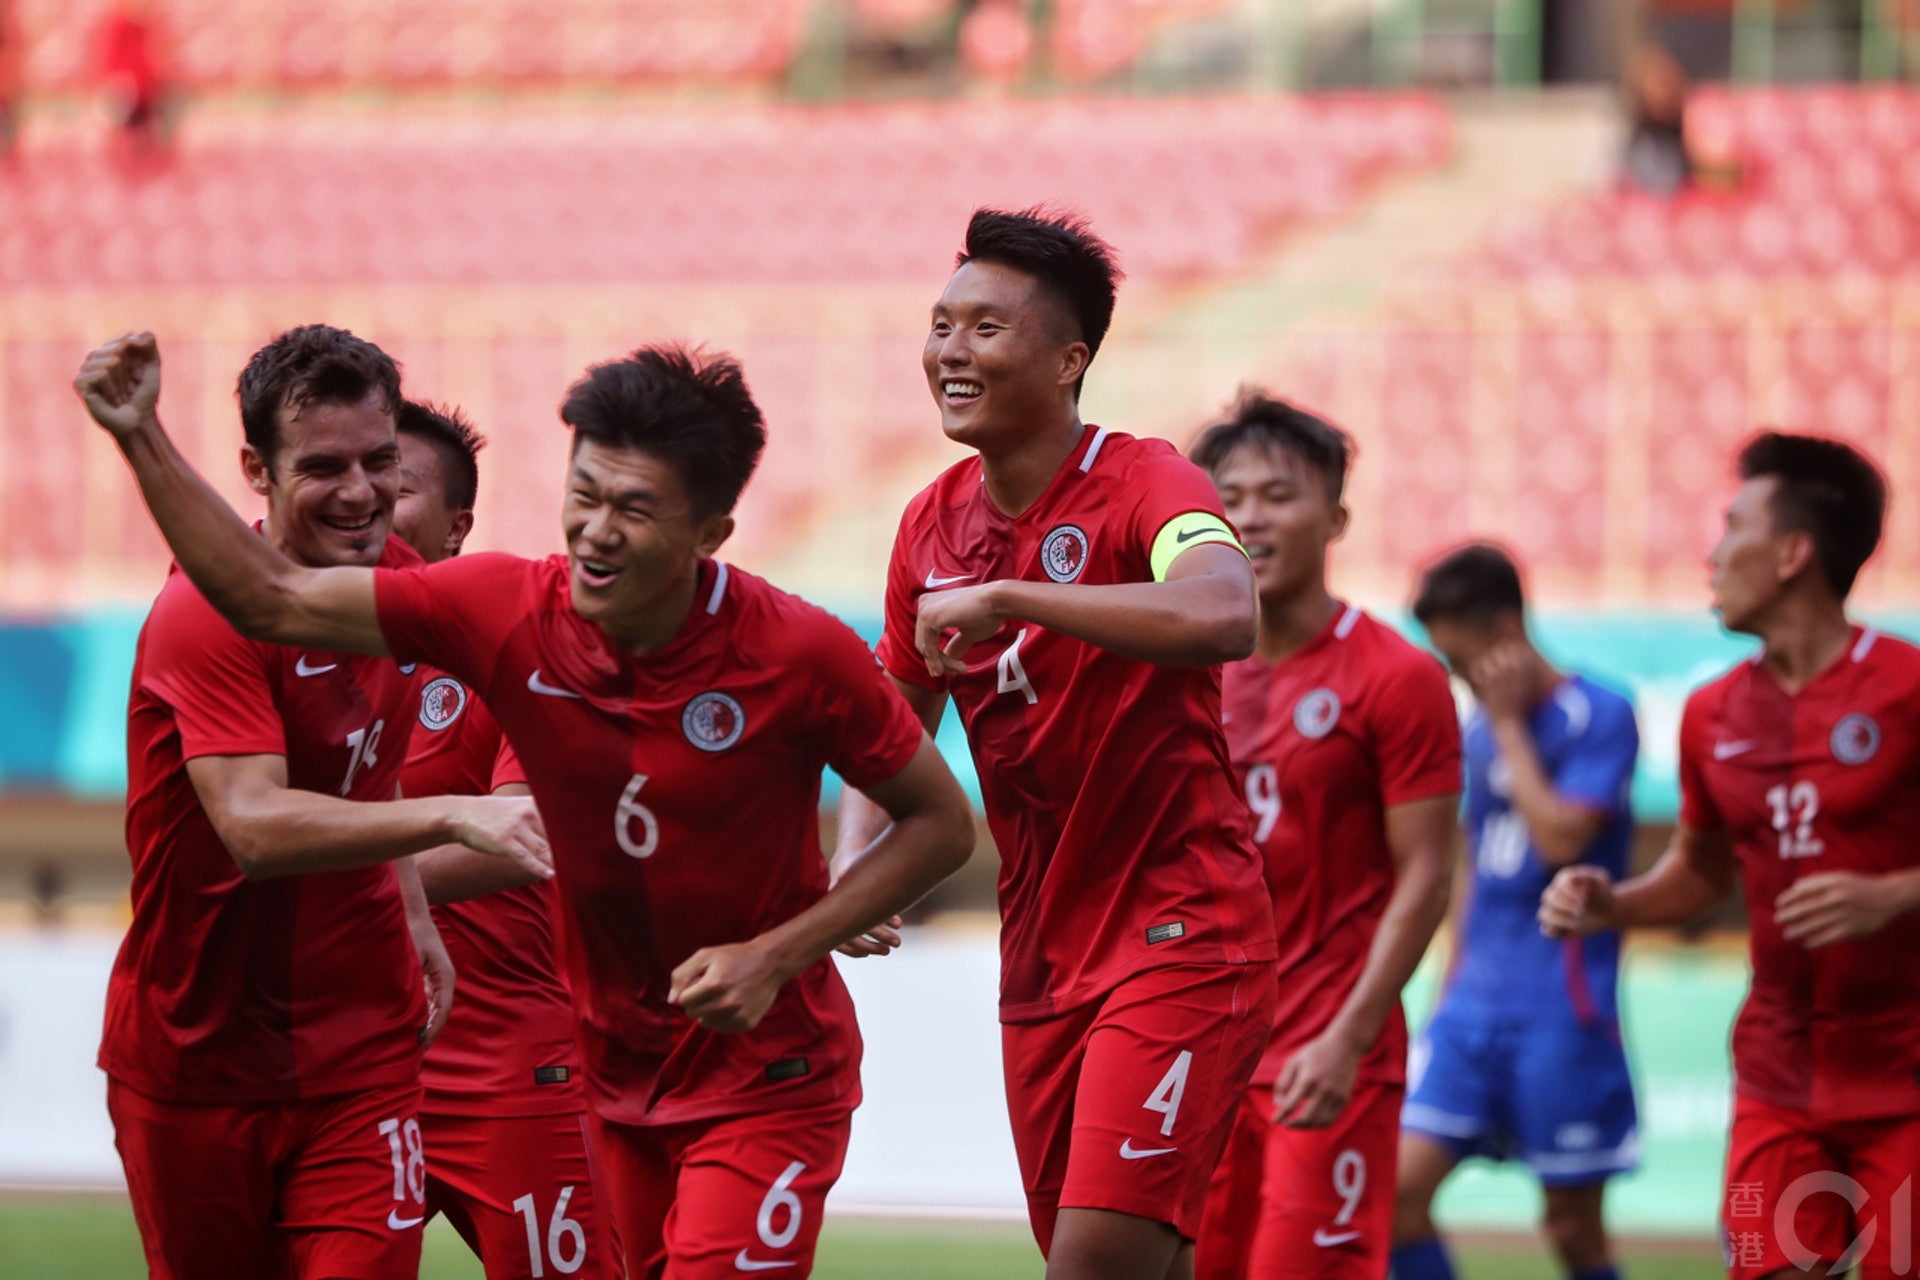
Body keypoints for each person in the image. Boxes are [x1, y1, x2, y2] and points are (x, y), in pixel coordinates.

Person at [74, 330, 975, 1280]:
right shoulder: (502, 610)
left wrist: (777, 951)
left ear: (710, 534)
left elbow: (944, 823)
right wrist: (141, 437)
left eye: (633, 508)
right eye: (583, 496)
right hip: (613, 1083)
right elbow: (273, 597)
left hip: (764, 1077)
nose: (596, 530)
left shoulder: (802, 652)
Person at [835, 206, 1278, 1280]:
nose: (949, 349)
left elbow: (1225, 611)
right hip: (1039, 955)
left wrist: (1021, 594)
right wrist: (858, 858)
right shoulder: (925, 526)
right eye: (942, 324)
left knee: (1093, 1264)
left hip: (1182, 930)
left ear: (1070, 359)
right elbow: (890, 723)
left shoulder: (1151, 480)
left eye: (986, 327)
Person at [89, 325, 551, 1280]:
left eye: (381, 462)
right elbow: (255, 826)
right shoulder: (201, 616)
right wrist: (453, 816)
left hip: (362, 1058)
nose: (361, 491)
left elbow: (365, 763)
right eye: (325, 466)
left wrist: (411, 910)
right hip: (194, 1062)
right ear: (256, 469)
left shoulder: (403, 593)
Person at [1543, 433, 1920, 1280]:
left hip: (1907, 1080)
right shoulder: (1711, 714)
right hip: (1776, 1079)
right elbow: (1706, 871)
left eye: (1731, 527)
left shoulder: (1906, 687)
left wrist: (1894, 893)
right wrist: (1617, 903)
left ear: (1793, 553)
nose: (1712, 554)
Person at [1186, 392, 1460, 1280]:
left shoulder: (1398, 676)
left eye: (1278, 495)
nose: (1251, 518)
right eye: (1230, 497)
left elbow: (1426, 876)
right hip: (1204, 1058)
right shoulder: (1187, 673)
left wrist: (1350, 1037)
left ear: (1335, 516)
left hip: (1326, 1058)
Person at [390, 400, 612, 1278]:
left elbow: (525, 832)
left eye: (395, 483)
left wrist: (330, 869)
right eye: (342, 474)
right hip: (356, 1063)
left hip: (511, 1067)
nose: (363, 498)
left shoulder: (519, 640)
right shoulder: (294, 654)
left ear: (456, 528)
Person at [1393, 543, 1640, 1280]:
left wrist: (1504, 725)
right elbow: (1469, 864)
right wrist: (1448, 985)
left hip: (1563, 1014)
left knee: (1572, 1232)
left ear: (1506, 628)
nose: (1464, 680)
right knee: (1395, 1197)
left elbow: (1561, 837)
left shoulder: (1599, 712)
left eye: (1465, 661)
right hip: (1471, 1014)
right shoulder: (1475, 735)